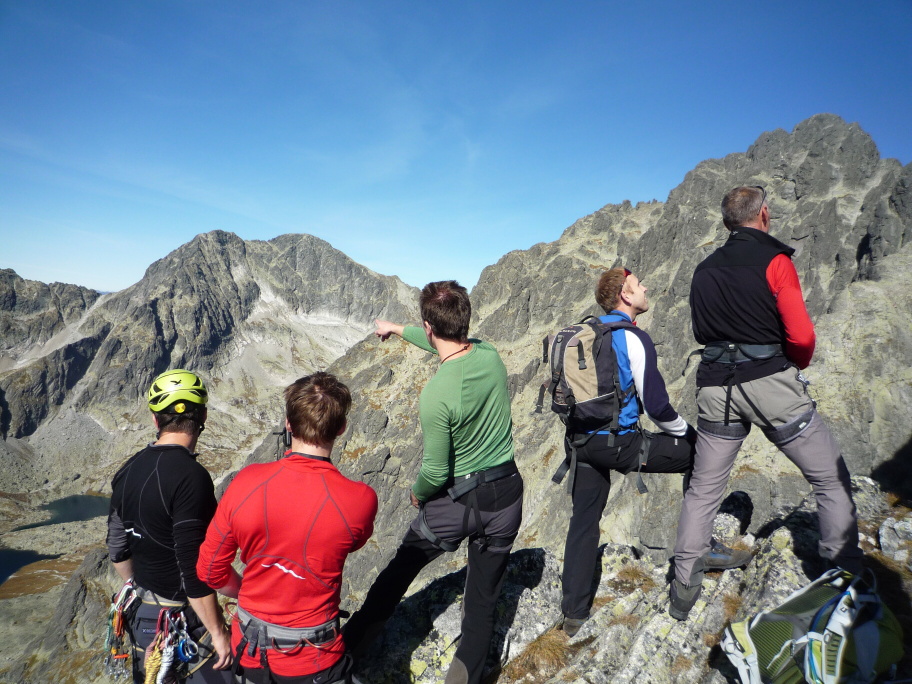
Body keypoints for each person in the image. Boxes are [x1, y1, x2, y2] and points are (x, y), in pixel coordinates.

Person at [669, 185, 863, 620]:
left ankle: (682, 590)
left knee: (704, 488)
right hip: (770, 383)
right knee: (829, 478)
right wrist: (788, 367)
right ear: (764, 214)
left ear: (726, 222)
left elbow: (702, 331)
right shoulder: (775, 261)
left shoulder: (703, 269)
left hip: (715, 388)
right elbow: (802, 336)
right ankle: (845, 579)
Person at [342, 280, 523, 684]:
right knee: (482, 601)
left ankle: (348, 649)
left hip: (459, 503)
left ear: (428, 326)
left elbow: (437, 473)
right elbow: (446, 345)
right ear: (466, 319)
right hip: (508, 496)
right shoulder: (489, 354)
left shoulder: (436, 394)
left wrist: (417, 494)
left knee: (399, 570)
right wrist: (396, 329)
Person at [557, 267, 751, 637]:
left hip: (582, 443)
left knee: (583, 521)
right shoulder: (633, 337)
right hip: (620, 444)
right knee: (699, 454)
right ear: (625, 295)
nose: (646, 287)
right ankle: (701, 547)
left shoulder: (589, 332)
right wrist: (691, 435)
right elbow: (658, 408)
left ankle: (574, 615)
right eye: (638, 284)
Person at [196, 372, 377, 684]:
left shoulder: (247, 482)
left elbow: (209, 571)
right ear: (342, 428)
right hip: (315, 659)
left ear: (288, 424)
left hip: (250, 653)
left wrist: (247, 590)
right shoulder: (360, 499)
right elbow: (354, 542)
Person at [106, 369, 233, 683]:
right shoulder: (192, 477)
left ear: (155, 420)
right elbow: (194, 568)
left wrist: (143, 585)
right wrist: (218, 633)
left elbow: (117, 548)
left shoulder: (128, 469)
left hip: (142, 618)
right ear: (203, 416)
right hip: (186, 623)